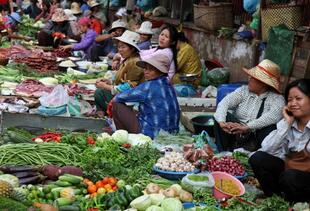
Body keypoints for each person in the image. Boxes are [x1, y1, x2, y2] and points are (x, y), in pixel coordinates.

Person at [249, 79, 310, 202]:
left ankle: (299, 204)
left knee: (290, 176)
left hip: (305, 180)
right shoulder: (289, 123)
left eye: (298, 99)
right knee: (258, 158)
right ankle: (276, 200)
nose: (293, 103)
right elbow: (267, 149)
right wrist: (287, 123)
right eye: (290, 100)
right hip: (291, 174)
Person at [213, 59, 285, 152]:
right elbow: (224, 103)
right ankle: (222, 152)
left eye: (253, 78)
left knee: (270, 128)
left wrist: (247, 127)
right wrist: (222, 122)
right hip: (237, 132)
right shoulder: (243, 91)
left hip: (256, 136)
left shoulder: (277, 99)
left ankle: (258, 154)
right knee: (219, 116)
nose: (249, 79)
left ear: (263, 83)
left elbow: (272, 116)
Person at [112, 54, 180, 139]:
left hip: (151, 134)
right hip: (172, 133)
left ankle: (124, 136)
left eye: (151, 70)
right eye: (145, 68)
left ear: (160, 71)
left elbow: (118, 98)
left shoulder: (148, 86)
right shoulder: (169, 84)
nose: (146, 71)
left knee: (116, 105)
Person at [94, 30, 144, 116]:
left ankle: (116, 115)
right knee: (99, 92)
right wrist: (108, 81)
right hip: (123, 94)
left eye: (123, 47)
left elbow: (131, 86)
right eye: (119, 47)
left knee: (99, 92)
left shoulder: (135, 62)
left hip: (131, 99)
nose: (120, 50)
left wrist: (107, 86)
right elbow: (122, 79)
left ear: (132, 48)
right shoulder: (128, 59)